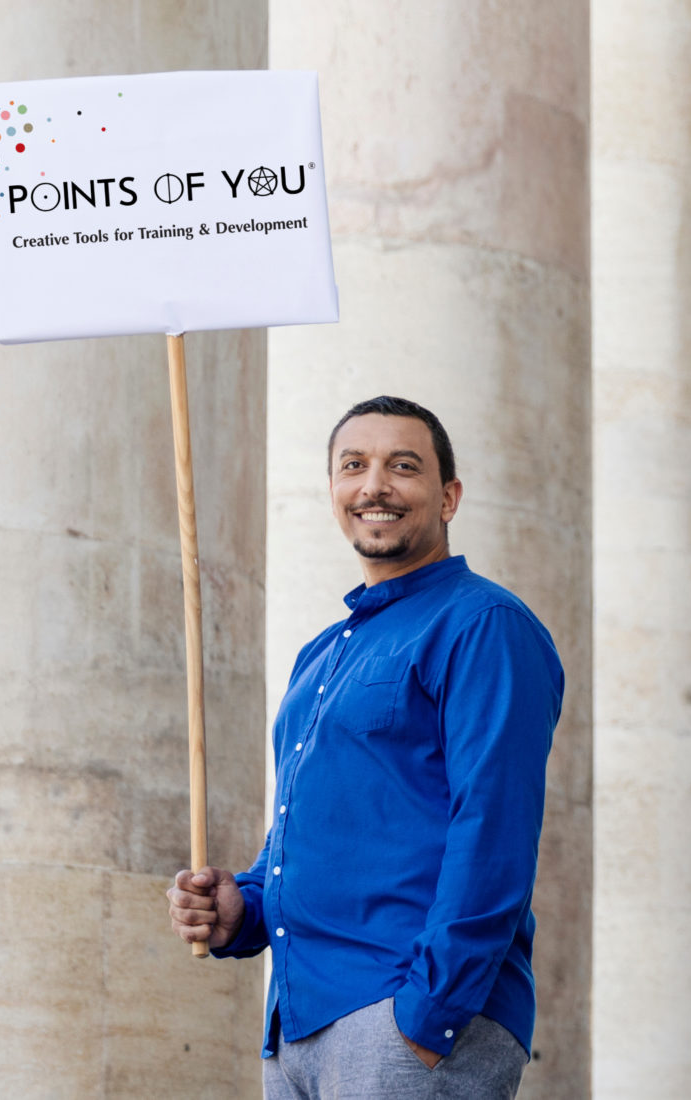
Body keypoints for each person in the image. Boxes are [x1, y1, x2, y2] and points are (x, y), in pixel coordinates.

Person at [168, 395, 563, 1099]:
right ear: (333, 491)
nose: (374, 485)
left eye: (402, 467)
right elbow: (308, 834)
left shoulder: (483, 625)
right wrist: (243, 907)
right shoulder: (320, 655)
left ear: (448, 496)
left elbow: (495, 828)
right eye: (354, 465)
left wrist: (426, 1015)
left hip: (405, 1021)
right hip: (297, 1030)